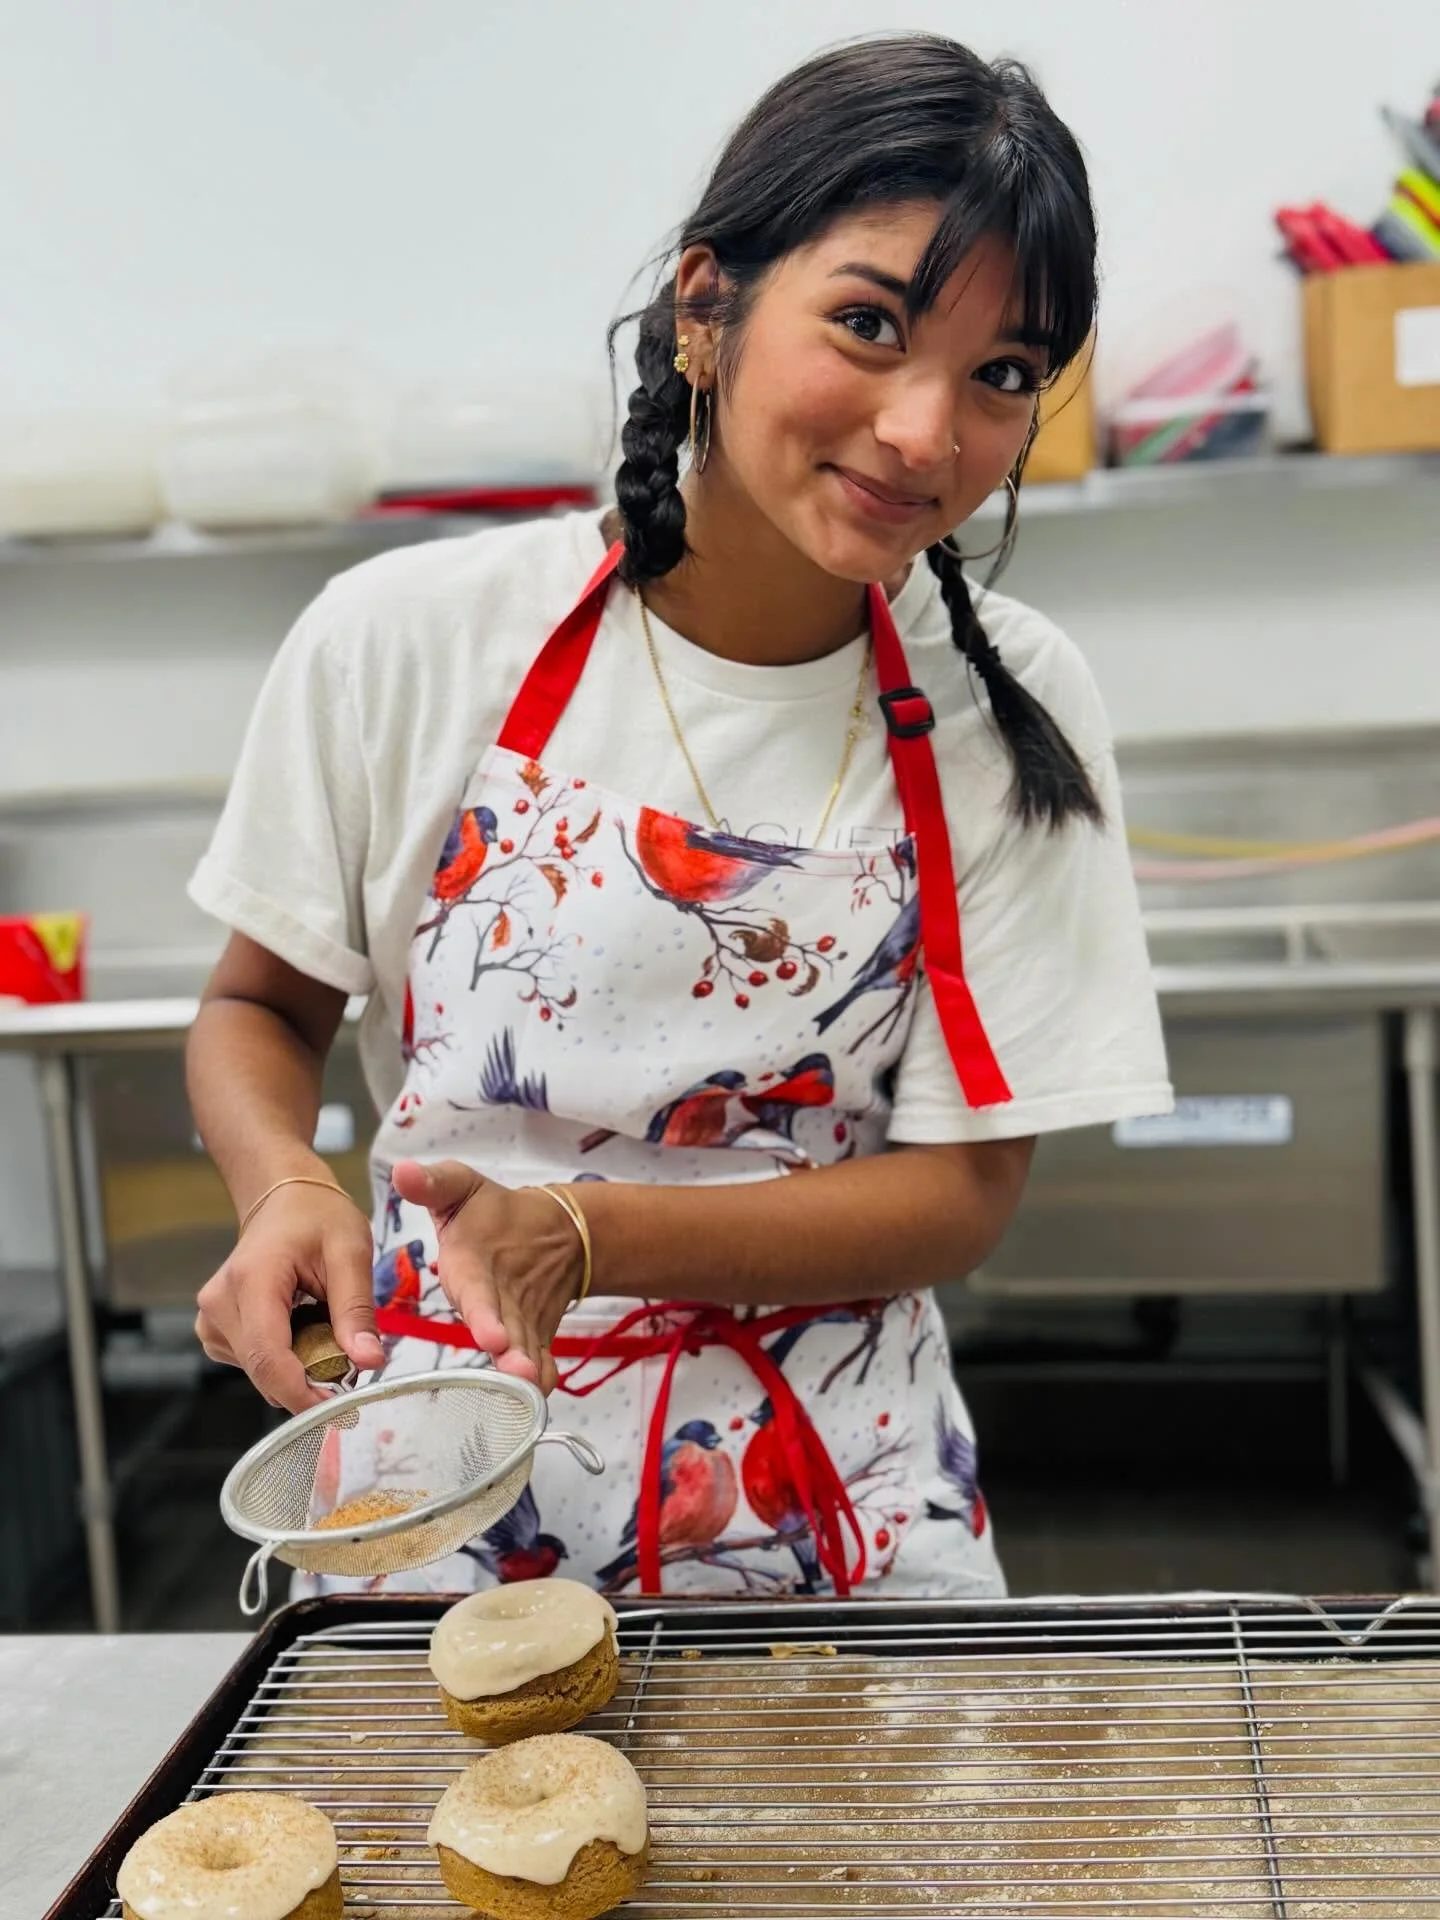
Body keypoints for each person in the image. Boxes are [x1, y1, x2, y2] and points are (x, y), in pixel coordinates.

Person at [186, 32, 1171, 1601]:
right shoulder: (411, 639)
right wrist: (286, 1188)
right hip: (443, 1501)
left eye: (1002, 374)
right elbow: (259, 1006)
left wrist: (590, 1234)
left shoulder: (1011, 704)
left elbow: (965, 1189)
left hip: (840, 1508)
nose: (928, 435)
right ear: (707, 310)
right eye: (869, 325)